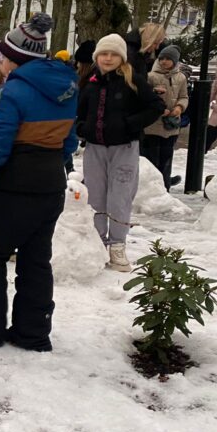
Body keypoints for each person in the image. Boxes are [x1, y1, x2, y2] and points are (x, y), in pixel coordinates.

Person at [0, 12, 78, 352]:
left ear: (16, 59)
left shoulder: (13, 91)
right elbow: (70, 141)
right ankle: (33, 333)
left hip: (11, 186)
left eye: (6, 58)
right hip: (51, 184)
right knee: (36, 261)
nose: (3, 65)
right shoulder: (68, 87)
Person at [75, 33, 164, 272]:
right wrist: (81, 127)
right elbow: (78, 111)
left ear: (121, 57)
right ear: (97, 57)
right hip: (95, 148)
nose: (108, 58)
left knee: (120, 196)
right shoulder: (90, 82)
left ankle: (117, 244)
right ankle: (97, 241)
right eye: (104, 53)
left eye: (113, 54)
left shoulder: (132, 79)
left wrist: (129, 124)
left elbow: (156, 107)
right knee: (95, 196)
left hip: (124, 148)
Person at [141, 45, 188, 188]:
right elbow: (144, 97)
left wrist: (179, 107)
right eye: (161, 58)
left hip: (171, 126)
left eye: (168, 59)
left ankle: (165, 185)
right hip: (152, 126)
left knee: (166, 159)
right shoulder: (151, 76)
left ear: (175, 61)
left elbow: (184, 96)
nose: (164, 61)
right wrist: (158, 107)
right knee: (151, 159)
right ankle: (151, 187)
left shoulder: (180, 78)